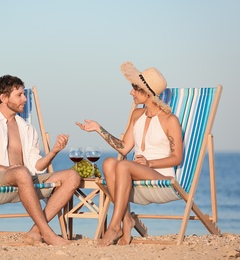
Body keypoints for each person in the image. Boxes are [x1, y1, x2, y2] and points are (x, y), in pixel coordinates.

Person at [76, 62, 183, 246]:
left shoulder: (170, 120)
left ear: (147, 93)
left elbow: (177, 158)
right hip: (134, 173)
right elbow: (124, 148)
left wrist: (149, 164)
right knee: (109, 163)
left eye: (135, 88)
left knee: (124, 165)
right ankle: (126, 221)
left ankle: (114, 226)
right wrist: (98, 128)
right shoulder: (137, 115)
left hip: (161, 175)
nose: (131, 92)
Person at [0, 75, 81, 246]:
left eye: (24, 94)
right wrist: (5, 169)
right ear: (3, 98)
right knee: (21, 172)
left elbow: (36, 167)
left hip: (26, 180)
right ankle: (49, 234)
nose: (25, 99)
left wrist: (54, 152)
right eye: (19, 95)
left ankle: (36, 232)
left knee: (72, 176)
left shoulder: (27, 128)